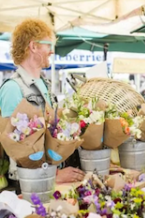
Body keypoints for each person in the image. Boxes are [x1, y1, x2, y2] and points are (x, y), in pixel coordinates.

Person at [0, 19, 85, 184]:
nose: (52, 51)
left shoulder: (45, 84)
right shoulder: (12, 88)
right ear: (33, 46)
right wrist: (53, 176)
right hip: (28, 183)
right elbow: (13, 148)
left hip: (52, 176)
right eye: (48, 45)